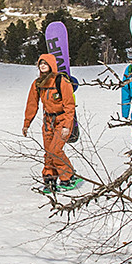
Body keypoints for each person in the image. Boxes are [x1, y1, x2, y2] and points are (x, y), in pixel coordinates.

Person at [23, 53, 80, 193]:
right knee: (48, 152)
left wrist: (67, 125)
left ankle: (68, 175)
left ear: (51, 65)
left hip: (62, 120)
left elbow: (69, 105)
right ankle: (50, 178)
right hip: (48, 121)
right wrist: (27, 123)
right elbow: (32, 104)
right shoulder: (38, 83)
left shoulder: (61, 81)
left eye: (45, 63)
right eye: (40, 63)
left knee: (55, 150)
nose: (42, 66)